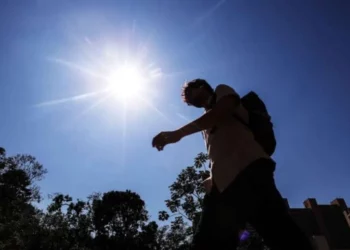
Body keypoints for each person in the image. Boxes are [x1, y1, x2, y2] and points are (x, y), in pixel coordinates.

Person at [152, 79, 313, 250]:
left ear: (201, 87)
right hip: (222, 187)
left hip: (250, 172)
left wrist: (179, 133)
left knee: (282, 235)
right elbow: (220, 151)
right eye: (188, 101)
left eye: (190, 95)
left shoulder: (222, 92)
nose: (190, 101)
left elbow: (221, 112)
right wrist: (212, 178)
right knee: (207, 242)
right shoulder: (205, 126)